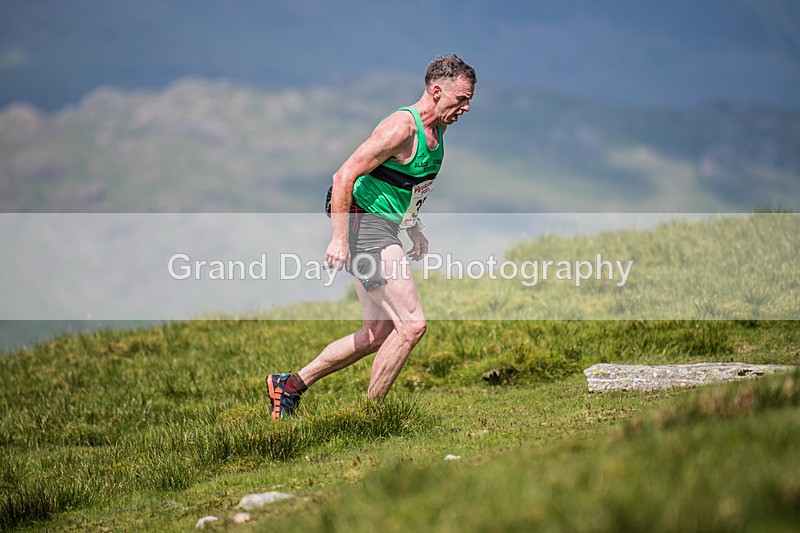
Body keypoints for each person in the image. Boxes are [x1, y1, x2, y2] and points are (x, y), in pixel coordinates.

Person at [266, 54, 476, 419]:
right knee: (411, 325)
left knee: (376, 333)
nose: (467, 107)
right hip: (364, 225)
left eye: (469, 99)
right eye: (461, 99)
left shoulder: (436, 131)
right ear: (437, 91)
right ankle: (370, 416)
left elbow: (406, 186)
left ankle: (290, 385)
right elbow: (343, 176)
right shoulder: (401, 128)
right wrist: (340, 239)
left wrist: (413, 227)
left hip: (385, 226)